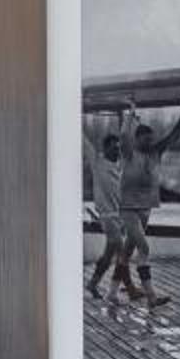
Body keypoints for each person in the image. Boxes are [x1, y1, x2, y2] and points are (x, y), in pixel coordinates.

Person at [112, 100, 180, 309]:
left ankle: (111, 293)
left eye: (151, 140)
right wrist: (130, 113)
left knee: (127, 252)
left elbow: (174, 135)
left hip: (146, 207)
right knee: (144, 248)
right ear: (137, 139)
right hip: (128, 208)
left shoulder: (155, 152)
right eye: (145, 140)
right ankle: (151, 297)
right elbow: (123, 135)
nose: (149, 143)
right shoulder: (129, 153)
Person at [82, 108, 131, 303]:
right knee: (122, 253)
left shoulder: (120, 165)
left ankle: (93, 284)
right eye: (114, 148)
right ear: (105, 149)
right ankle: (129, 288)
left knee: (108, 255)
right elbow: (84, 141)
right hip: (107, 216)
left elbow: (125, 139)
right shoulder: (97, 161)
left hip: (120, 216)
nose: (117, 151)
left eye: (118, 148)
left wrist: (123, 117)